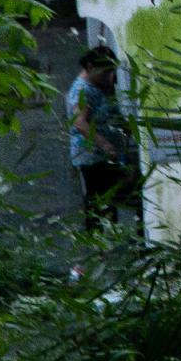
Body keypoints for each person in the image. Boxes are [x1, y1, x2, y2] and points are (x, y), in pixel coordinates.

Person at [69, 45, 142, 235]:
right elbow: (80, 123)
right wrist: (105, 145)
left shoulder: (100, 85)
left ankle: (110, 236)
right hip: (94, 156)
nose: (109, 75)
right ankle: (99, 241)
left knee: (111, 198)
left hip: (108, 154)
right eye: (105, 71)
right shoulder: (83, 90)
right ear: (91, 67)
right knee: (100, 198)